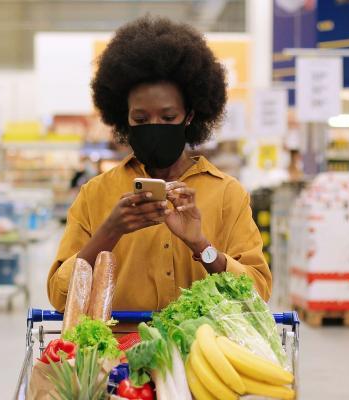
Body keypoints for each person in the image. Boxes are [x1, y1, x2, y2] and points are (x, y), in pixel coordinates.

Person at [47, 16, 272, 313]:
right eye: (140, 119)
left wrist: (201, 245)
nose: (154, 127)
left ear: (190, 116)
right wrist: (110, 231)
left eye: (167, 118)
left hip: (202, 354)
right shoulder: (96, 194)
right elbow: (60, 297)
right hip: (117, 356)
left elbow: (257, 294)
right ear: (123, 118)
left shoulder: (227, 194)